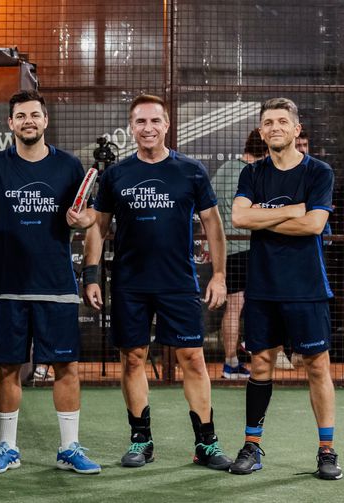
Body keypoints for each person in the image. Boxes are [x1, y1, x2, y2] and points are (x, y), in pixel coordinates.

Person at [83, 94, 232, 471]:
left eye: (155, 121)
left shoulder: (191, 170)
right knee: (132, 358)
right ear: (131, 128)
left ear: (166, 125)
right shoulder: (116, 175)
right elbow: (98, 227)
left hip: (178, 282)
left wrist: (218, 274)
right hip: (130, 283)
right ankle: (141, 440)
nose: (148, 128)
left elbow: (213, 223)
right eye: (140, 122)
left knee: (193, 360)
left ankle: (206, 444)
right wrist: (91, 274)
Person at [0, 90, 101, 475]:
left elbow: (89, 215)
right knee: (7, 369)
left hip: (56, 285)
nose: (28, 121)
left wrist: (86, 220)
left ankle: (69, 447)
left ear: (45, 121)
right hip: (7, 286)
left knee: (66, 368)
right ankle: (7, 447)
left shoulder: (69, 166)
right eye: (20, 116)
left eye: (35, 115)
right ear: (10, 124)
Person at [227, 98, 341, 480]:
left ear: (295, 129)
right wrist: (294, 210)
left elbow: (314, 226)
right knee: (259, 365)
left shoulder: (319, 172)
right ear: (261, 132)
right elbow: (240, 217)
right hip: (263, 290)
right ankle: (252, 446)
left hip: (307, 288)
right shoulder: (253, 173)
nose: (274, 127)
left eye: (281, 121)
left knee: (317, 367)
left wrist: (264, 219)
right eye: (267, 122)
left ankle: (327, 451)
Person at [210, 129, 267, 379]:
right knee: (239, 307)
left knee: (233, 307)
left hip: (225, 248)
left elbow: (207, 209)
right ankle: (235, 363)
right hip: (248, 247)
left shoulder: (224, 168)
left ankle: (232, 362)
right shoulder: (257, 173)